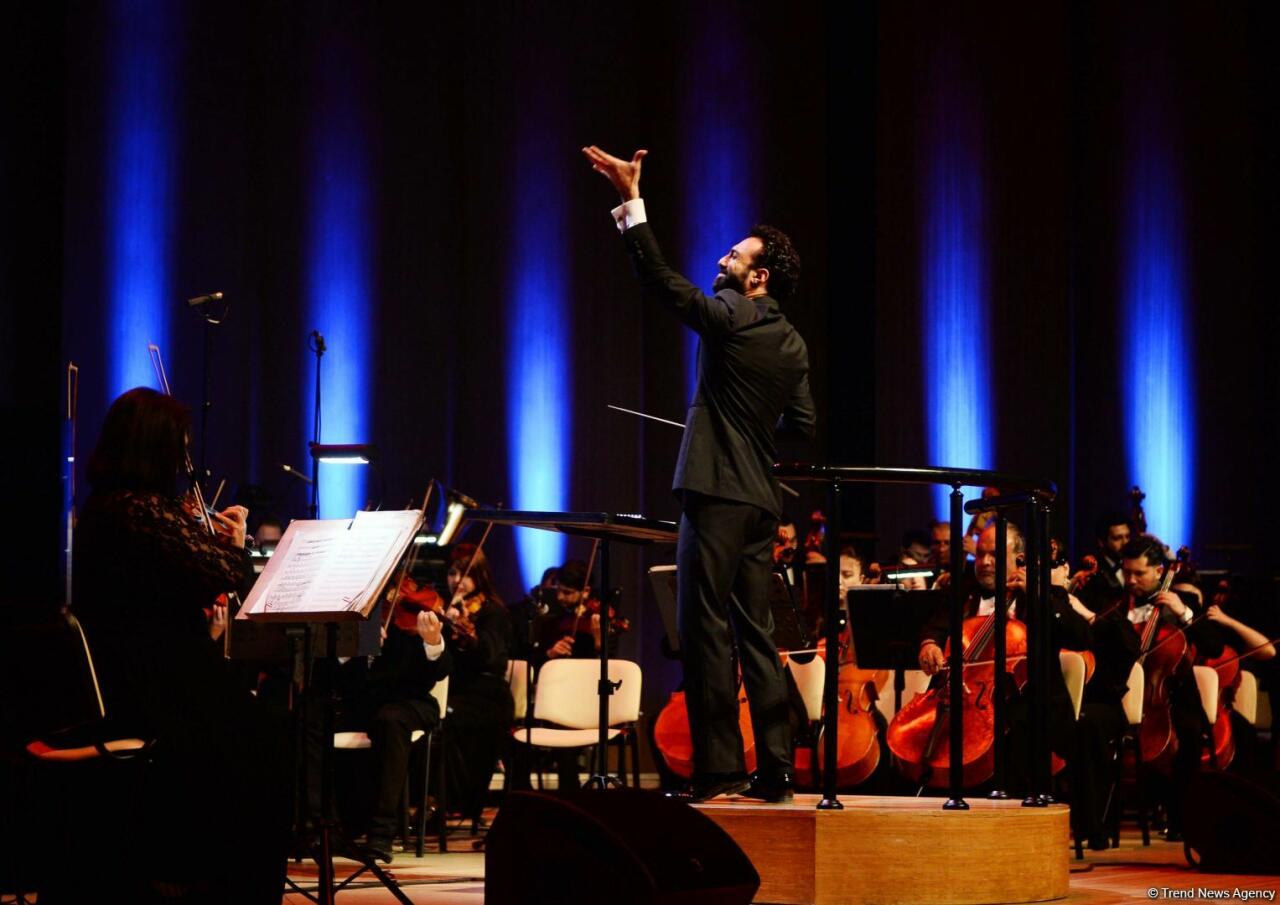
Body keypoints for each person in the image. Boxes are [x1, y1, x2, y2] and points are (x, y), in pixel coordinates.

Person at [584, 144, 816, 802]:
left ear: (757, 276)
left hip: (716, 492)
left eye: (733, 256)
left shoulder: (734, 316)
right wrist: (747, 429)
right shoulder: (793, 342)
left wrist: (633, 206)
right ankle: (776, 769)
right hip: (760, 499)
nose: (721, 260)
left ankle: (718, 770)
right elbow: (801, 423)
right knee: (757, 632)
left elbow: (665, 285)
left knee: (705, 627)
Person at [71, 387, 290, 903]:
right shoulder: (142, 510)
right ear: (155, 449)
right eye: (180, 449)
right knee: (264, 739)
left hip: (129, 673)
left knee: (251, 729)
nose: (185, 463)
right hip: (157, 684)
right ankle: (222, 882)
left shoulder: (105, 507)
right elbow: (221, 573)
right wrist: (235, 544)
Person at [914, 522, 1091, 793]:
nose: (985, 562)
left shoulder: (1045, 593)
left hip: (1027, 700)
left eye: (995, 555)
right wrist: (929, 645)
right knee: (926, 730)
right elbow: (935, 627)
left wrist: (1038, 595)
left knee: (1014, 729)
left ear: (1020, 559)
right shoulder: (963, 590)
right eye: (980, 554)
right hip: (966, 694)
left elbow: (1079, 636)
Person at [1118, 534, 1226, 840]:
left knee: (1188, 732)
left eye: (1139, 573)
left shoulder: (1184, 602)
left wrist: (1183, 613)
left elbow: (1214, 647)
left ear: (1158, 571)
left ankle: (1181, 818)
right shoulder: (1117, 604)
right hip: (1125, 693)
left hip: (1173, 696)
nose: (1131, 581)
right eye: (1127, 573)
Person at [339, 598, 451, 863]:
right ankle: (320, 827)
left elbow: (440, 671)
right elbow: (340, 678)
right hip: (363, 703)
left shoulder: (407, 626)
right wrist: (349, 649)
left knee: (390, 720)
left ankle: (382, 833)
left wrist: (432, 642)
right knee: (309, 715)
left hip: (410, 701)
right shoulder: (352, 611)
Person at [440, 543, 514, 818]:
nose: (457, 580)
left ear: (480, 576)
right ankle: (445, 801)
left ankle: (457, 803)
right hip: (459, 692)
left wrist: (468, 632)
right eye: (452, 573)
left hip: (487, 695)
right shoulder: (447, 610)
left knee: (444, 720)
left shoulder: (493, 612)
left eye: (465, 574)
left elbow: (489, 655)